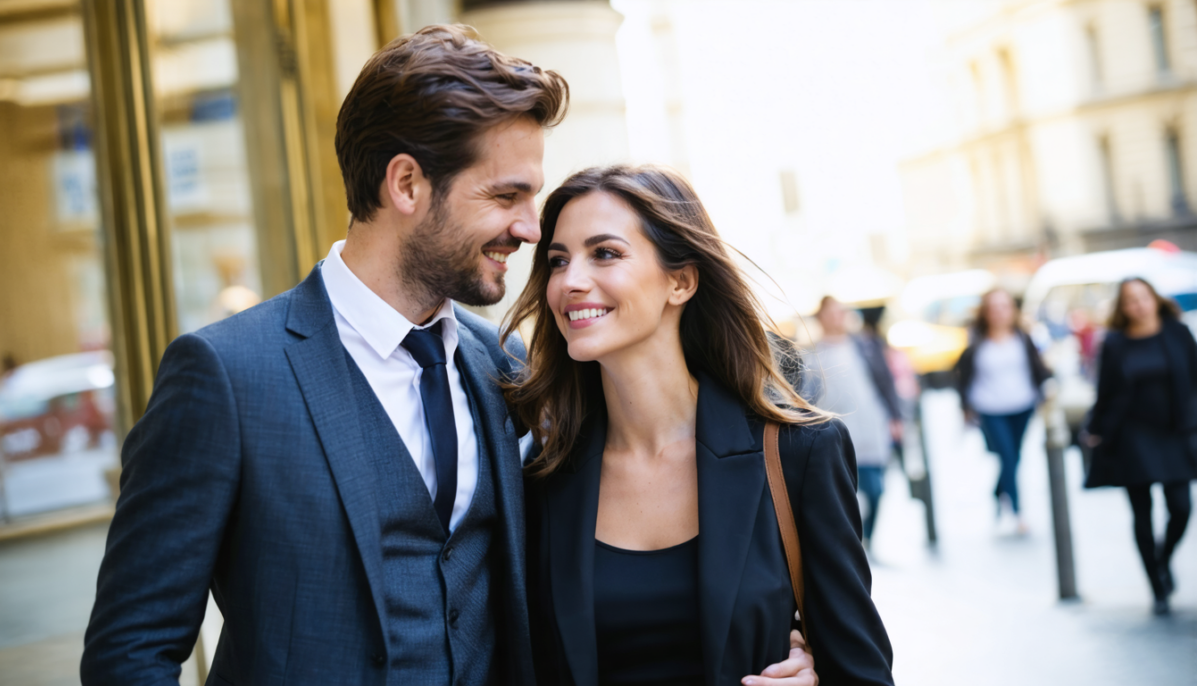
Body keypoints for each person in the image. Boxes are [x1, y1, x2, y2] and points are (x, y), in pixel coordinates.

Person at [81, 26, 814, 686]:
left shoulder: (501, 364)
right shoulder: (226, 375)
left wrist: (795, 651)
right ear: (406, 184)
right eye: (506, 196)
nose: (530, 229)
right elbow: (130, 649)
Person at [504, 165, 893, 685]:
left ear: (681, 281)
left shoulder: (799, 453)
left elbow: (862, 670)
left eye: (605, 253)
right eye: (558, 260)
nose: (570, 281)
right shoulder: (542, 476)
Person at [1084, 277, 1197, 616]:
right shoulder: (1115, 343)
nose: (1139, 305)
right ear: (1123, 308)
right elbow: (1105, 390)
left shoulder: (1177, 332)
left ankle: (1163, 557)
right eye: (1130, 300)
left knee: (1181, 507)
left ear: (1155, 299)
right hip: (1132, 435)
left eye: (1143, 297)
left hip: (1174, 431)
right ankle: (1156, 586)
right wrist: (1095, 429)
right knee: (1142, 513)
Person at [807, 296, 903, 549]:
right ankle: (852, 542)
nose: (836, 318)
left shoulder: (865, 345)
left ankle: (867, 536)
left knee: (876, 490)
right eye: (830, 313)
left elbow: (885, 381)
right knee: (845, 492)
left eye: (840, 312)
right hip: (836, 433)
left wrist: (895, 417)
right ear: (820, 318)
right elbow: (807, 396)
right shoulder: (812, 354)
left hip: (871, 427)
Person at [955, 289, 1051, 535]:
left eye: (1004, 307)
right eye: (993, 308)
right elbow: (963, 377)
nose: (999, 313)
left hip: (1023, 406)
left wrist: (1047, 388)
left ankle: (998, 491)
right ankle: (1017, 511)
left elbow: (1038, 368)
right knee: (1007, 456)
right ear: (985, 313)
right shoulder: (976, 343)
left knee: (1014, 457)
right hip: (990, 409)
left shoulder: (1023, 338)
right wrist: (965, 408)